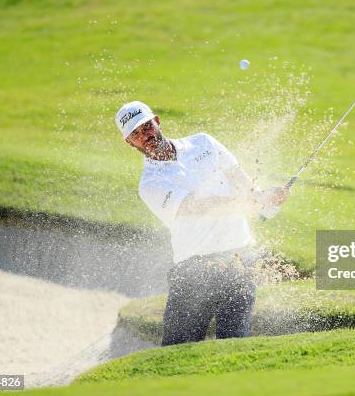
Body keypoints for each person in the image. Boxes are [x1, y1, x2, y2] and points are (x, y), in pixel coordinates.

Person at [115, 100, 288, 346]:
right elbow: (195, 207)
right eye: (136, 134)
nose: (146, 135)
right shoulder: (150, 183)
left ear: (157, 122)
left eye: (147, 126)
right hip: (193, 273)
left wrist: (267, 200)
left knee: (234, 346)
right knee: (176, 352)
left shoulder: (203, 142)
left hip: (239, 260)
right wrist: (244, 202)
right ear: (129, 142)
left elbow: (244, 183)